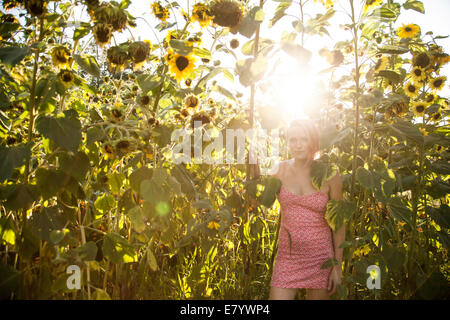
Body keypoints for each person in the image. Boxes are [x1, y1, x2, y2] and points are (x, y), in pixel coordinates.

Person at [268, 119, 345, 300]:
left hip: (321, 258)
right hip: (288, 258)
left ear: (313, 141)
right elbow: (257, 204)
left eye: (304, 139)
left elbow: (339, 223)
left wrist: (337, 266)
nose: (298, 144)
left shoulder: (329, 173)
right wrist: (253, 169)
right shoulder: (278, 170)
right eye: (293, 139)